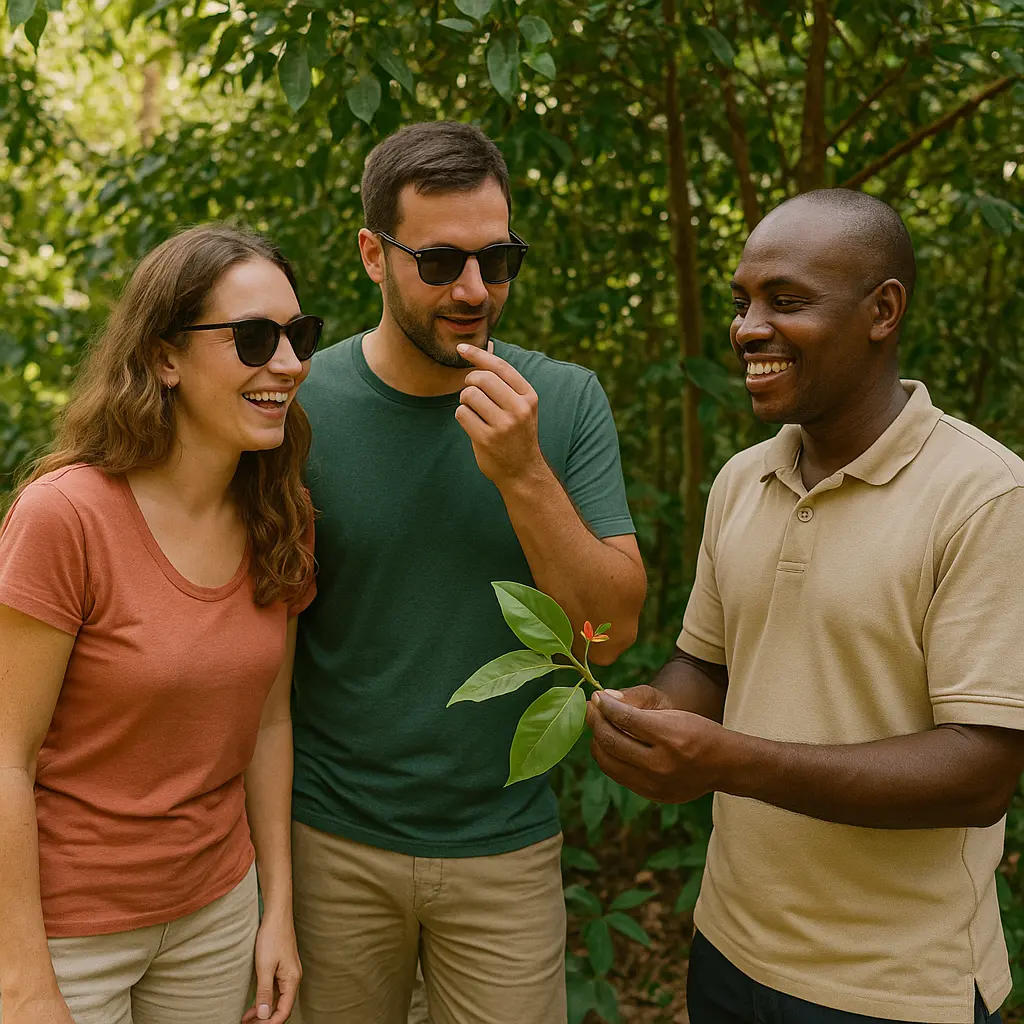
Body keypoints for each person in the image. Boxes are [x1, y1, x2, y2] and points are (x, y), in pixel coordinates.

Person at [587, 189, 1024, 1024]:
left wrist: (724, 761)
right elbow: (705, 664)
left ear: (882, 311)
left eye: (785, 301)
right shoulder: (742, 478)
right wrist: (656, 716)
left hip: (894, 988)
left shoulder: (986, 496)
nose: (747, 328)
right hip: (727, 948)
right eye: (742, 302)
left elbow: (979, 773)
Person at [289, 120, 646, 1024]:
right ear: (374, 254)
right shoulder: (298, 408)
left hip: (506, 845)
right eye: (442, 263)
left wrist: (524, 472)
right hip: (330, 837)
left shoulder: (563, 401)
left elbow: (609, 633)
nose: (476, 290)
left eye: (499, 259)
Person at [0, 225, 321, 1024]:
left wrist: (275, 909)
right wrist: (24, 981)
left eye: (297, 335)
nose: (285, 363)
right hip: (71, 932)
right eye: (252, 338)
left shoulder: (281, 515)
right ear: (162, 358)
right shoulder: (65, 517)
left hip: (215, 912)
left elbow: (271, 723)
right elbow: (6, 758)